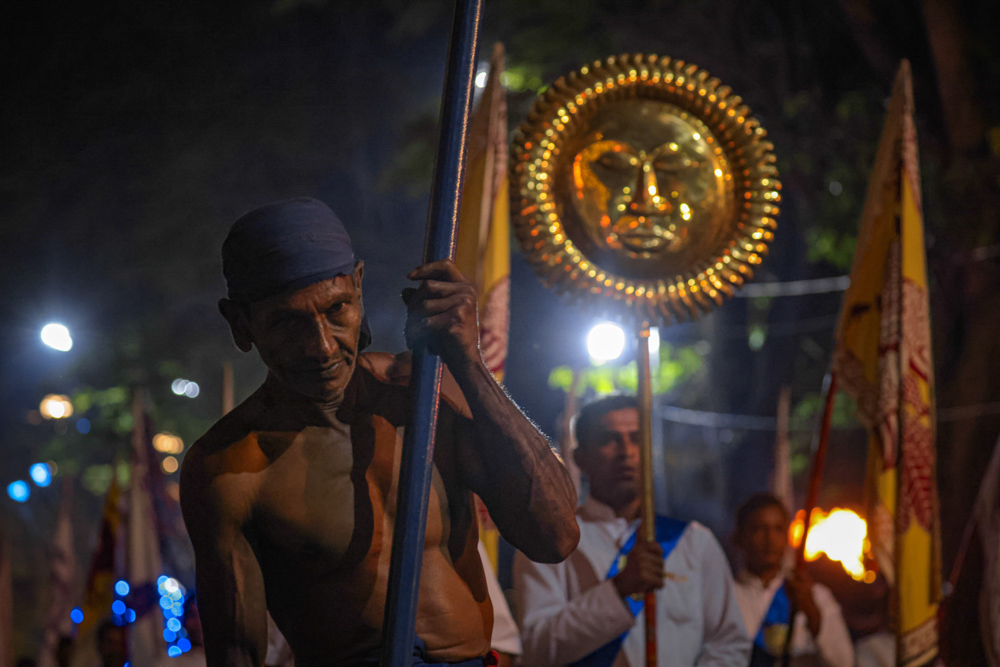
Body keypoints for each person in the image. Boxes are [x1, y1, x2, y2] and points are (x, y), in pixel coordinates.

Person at [180, 198, 579, 667]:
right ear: (241, 324)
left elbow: (554, 537)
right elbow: (236, 653)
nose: (323, 347)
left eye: (336, 309)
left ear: (359, 288)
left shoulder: (424, 393)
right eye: (289, 322)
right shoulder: (231, 468)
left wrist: (469, 363)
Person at [514, 395, 750, 666]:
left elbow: (728, 645)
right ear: (581, 458)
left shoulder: (695, 542)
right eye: (609, 440)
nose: (627, 452)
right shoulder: (548, 542)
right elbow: (537, 650)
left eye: (637, 439)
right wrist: (619, 590)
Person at [732, 493, 853, 667]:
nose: (770, 539)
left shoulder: (815, 595)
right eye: (759, 529)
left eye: (778, 529)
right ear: (739, 537)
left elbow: (843, 662)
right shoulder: (724, 596)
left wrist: (812, 613)